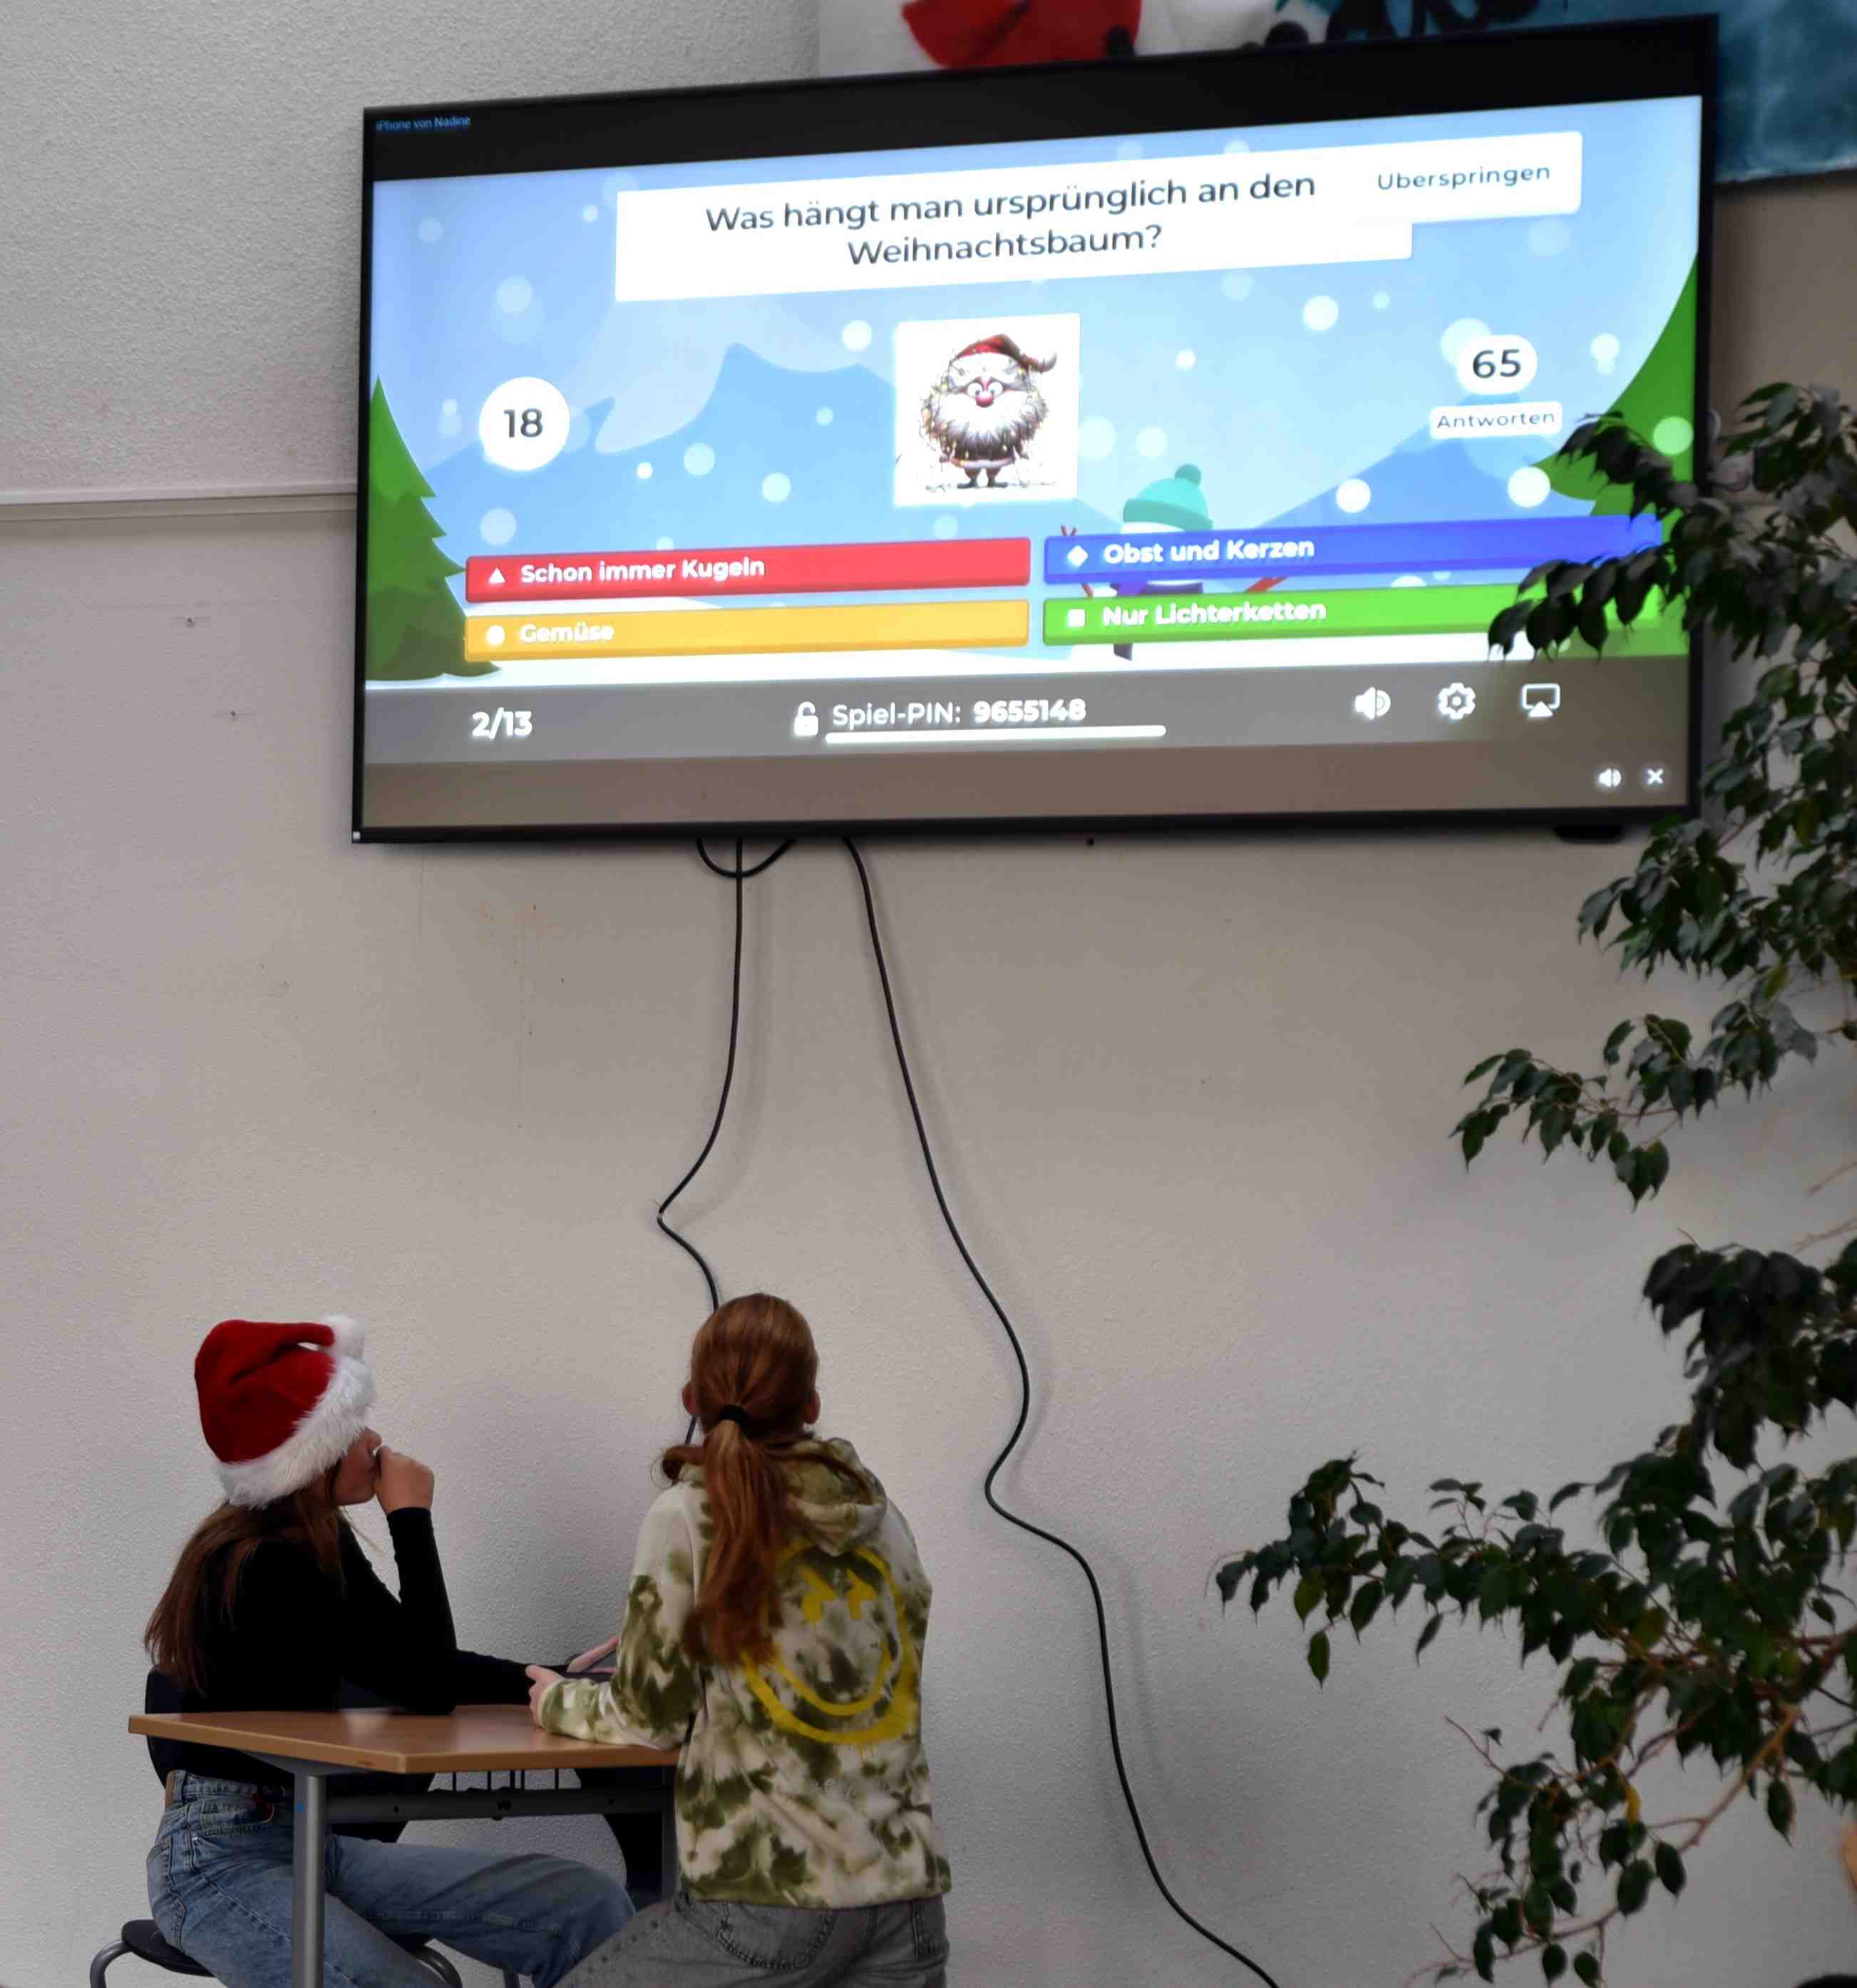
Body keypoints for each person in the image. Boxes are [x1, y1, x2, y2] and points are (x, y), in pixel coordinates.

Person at [144, 1315, 634, 1988]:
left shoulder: (319, 1541)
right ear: (311, 1456)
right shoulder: (264, 1566)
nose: (374, 1443)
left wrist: (548, 1677)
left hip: (311, 1842)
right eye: (354, 1430)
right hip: (216, 1858)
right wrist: (410, 1517)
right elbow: (427, 1682)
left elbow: (417, 1666)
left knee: (585, 1904)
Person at [525, 1292, 952, 1987]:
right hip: (906, 1898)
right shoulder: (880, 1514)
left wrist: (558, 1699)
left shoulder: (686, 1513)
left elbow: (648, 1717)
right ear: (810, 1402)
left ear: (691, 1398)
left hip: (768, 1894)